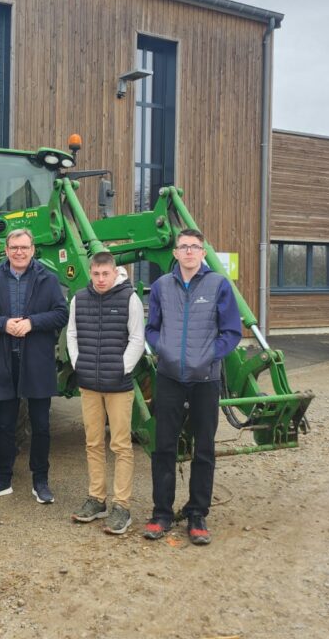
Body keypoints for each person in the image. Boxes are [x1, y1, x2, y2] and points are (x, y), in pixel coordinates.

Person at [142, 228, 242, 546]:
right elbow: (152, 328)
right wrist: (164, 351)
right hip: (169, 378)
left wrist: (209, 356)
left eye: (194, 247)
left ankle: (198, 514)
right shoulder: (161, 286)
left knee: (204, 449)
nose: (188, 252)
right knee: (164, 448)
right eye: (183, 247)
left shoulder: (219, 285)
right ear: (175, 253)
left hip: (205, 381)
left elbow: (231, 331)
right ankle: (161, 514)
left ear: (203, 252)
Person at [0, 228, 68, 504]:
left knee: (41, 425)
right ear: (6, 250)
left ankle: (40, 480)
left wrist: (32, 323)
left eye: (24, 247)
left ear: (32, 249)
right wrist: (3, 324)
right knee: (4, 424)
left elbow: (61, 313)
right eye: (14, 247)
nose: (19, 252)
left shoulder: (47, 279)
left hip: (36, 360)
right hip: (4, 359)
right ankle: (2, 479)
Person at [66, 253, 145, 534]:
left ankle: (121, 505)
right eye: (96, 274)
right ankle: (97, 499)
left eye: (105, 274)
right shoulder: (79, 299)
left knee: (121, 446)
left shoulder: (129, 299)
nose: (100, 279)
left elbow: (137, 338)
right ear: (91, 272)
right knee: (93, 443)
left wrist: (122, 368)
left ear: (115, 273)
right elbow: (71, 334)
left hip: (118, 387)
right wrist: (78, 363)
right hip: (89, 384)